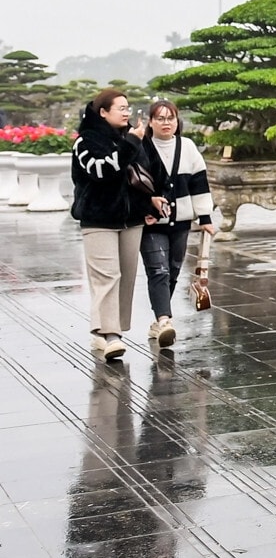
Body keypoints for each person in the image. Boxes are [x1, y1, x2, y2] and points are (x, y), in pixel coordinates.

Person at [71, 89, 168, 360]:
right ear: (103, 112)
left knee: (125, 277)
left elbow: (151, 174)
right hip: (98, 220)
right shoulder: (86, 141)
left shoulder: (135, 139)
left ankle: (109, 333)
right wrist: (130, 144)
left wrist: (153, 200)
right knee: (106, 276)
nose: (127, 112)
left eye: (128, 107)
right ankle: (109, 335)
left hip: (132, 220)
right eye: (120, 108)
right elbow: (101, 171)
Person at [140, 99, 215, 347]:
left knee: (172, 269)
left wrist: (205, 217)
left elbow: (199, 183)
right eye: (160, 118)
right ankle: (165, 320)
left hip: (181, 220)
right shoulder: (142, 147)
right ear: (150, 122)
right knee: (158, 270)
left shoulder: (188, 147)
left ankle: (159, 320)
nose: (166, 123)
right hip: (152, 222)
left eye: (170, 118)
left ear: (177, 121)